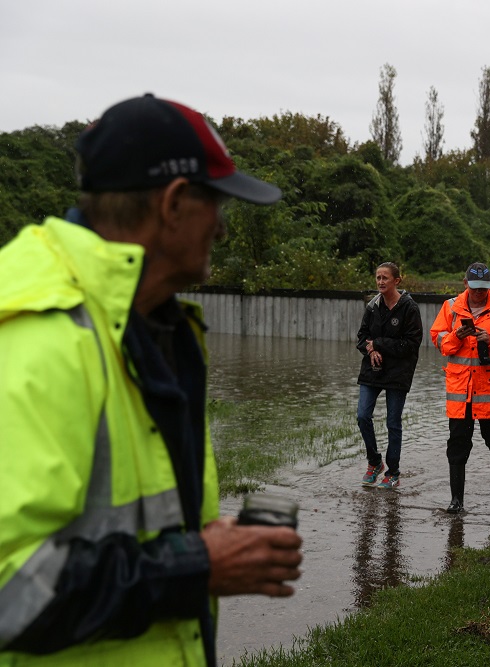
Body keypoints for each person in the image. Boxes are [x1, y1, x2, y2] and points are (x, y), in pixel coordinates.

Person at [0, 94, 303, 666]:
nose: (222, 228)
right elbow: (7, 589)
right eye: (219, 205)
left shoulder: (152, 323)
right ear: (175, 203)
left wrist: (206, 546)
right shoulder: (39, 338)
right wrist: (198, 565)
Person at [429, 262, 490, 513]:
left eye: (484, 289)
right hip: (460, 390)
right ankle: (456, 501)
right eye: (475, 288)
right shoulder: (450, 307)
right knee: (458, 443)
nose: (480, 293)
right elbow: (439, 341)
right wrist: (457, 336)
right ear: (465, 284)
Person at [356, 261, 423, 489]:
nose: (381, 282)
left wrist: (379, 344)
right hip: (373, 369)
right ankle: (375, 462)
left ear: (397, 280)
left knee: (392, 422)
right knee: (362, 416)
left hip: (398, 371)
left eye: (385, 278)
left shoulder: (409, 308)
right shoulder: (372, 306)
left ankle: (393, 472)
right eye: (378, 278)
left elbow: (411, 344)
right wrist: (371, 349)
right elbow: (362, 337)